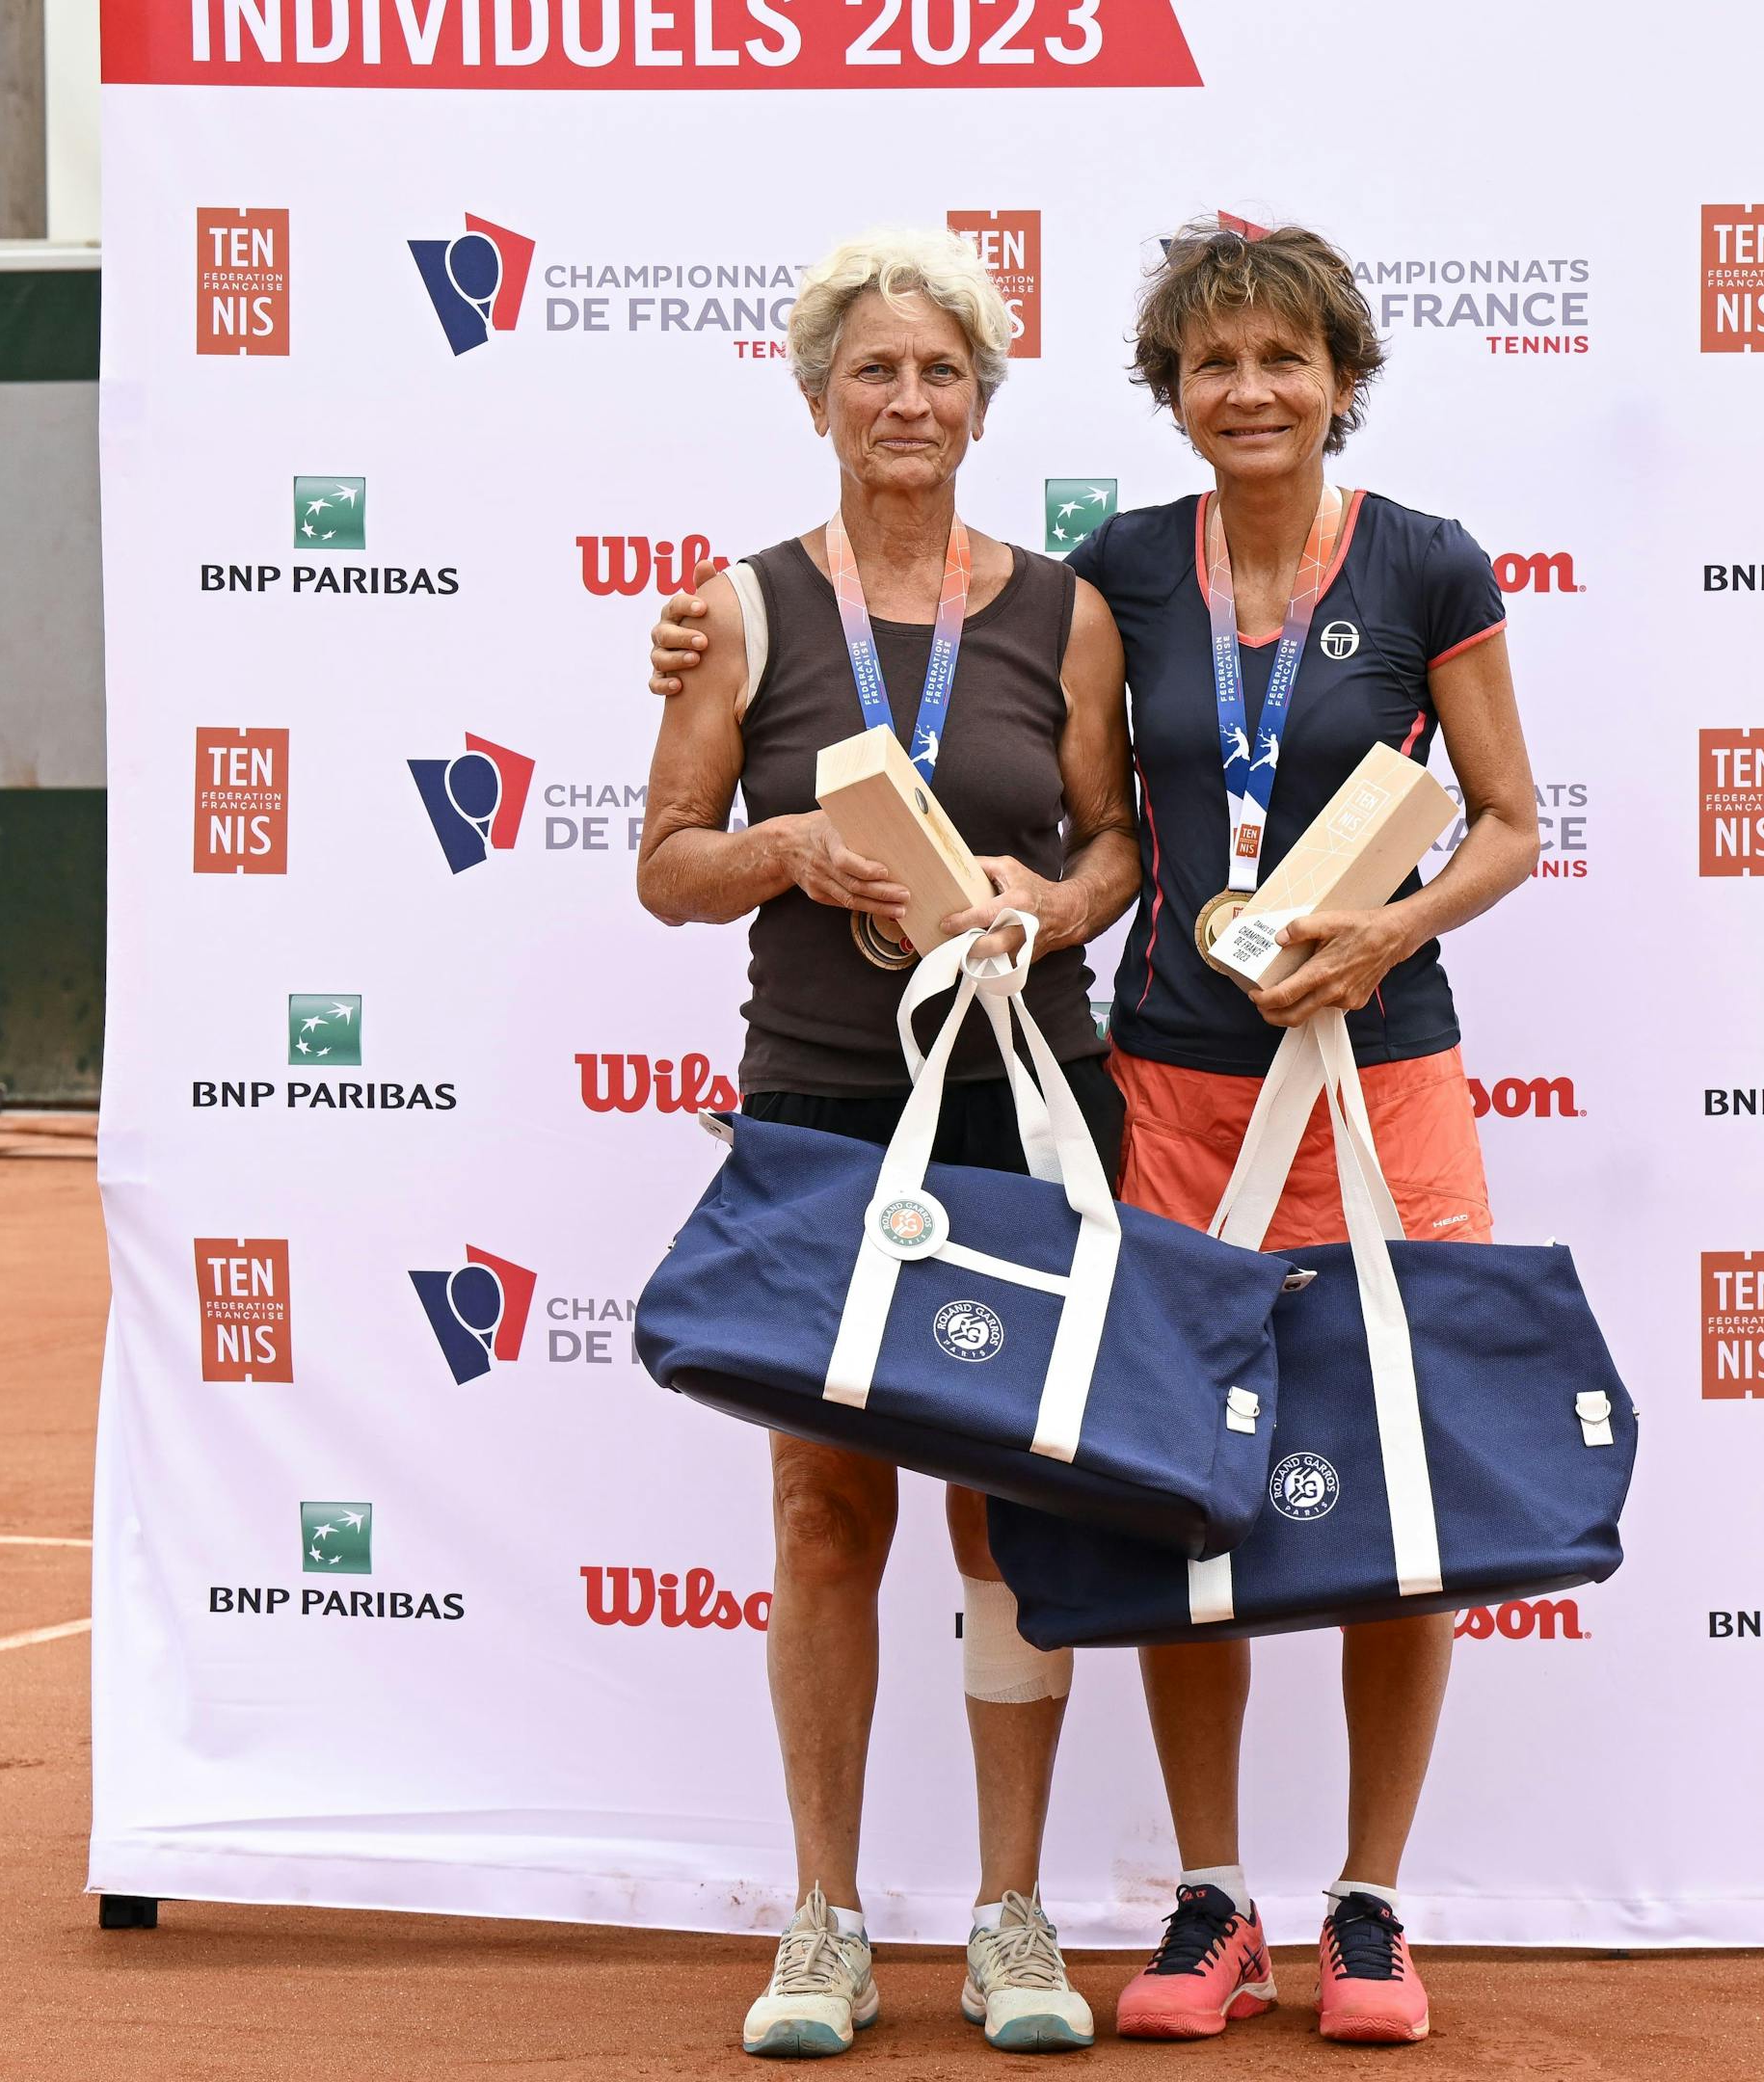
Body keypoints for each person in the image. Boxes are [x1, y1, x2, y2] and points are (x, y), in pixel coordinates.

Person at [651, 218, 1543, 2050]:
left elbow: (1449, 824)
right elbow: (693, 857)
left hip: (1216, 1085)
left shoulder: (1288, 577)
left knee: (1286, 1493)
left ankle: (1234, 1909)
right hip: (1031, 1093)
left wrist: (1311, 928)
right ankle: (1025, 1909)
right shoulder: (1047, 579)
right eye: (1214, 365)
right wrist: (776, 804)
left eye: (1284, 360)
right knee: (995, 1497)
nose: (1251, 391)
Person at [633, 225, 1141, 2061]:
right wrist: (790, 853)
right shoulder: (748, 604)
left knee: (1011, 1511)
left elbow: (1117, 845)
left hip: (1028, 1099)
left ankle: (1012, 1919)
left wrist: (1050, 905)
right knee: (821, 1509)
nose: (907, 400)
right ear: (819, 398)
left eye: (941, 374)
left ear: (986, 404)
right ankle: (827, 1921)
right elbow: (665, 863)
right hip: (828, 1111)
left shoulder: (1064, 610)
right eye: (875, 373)